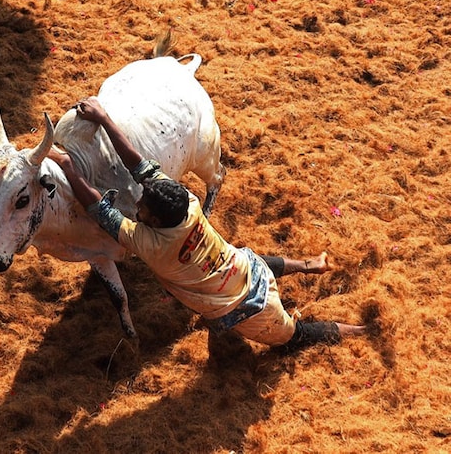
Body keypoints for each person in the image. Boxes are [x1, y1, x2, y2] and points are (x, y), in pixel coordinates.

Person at [48, 97, 366, 351]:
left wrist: (65, 164)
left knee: (296, 336)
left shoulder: (153, 246)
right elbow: (139, 165)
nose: (136, 207)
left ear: (155, 221)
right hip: (247, 268)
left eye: (141, 208)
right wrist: (103, 118)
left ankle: (360, 330)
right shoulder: (187, 204)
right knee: (237, 258)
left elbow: (100, 209)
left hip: (251, 307)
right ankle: (309, 264)